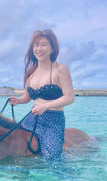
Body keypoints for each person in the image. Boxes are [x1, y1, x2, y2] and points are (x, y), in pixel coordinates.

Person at [10, 29, 74, 160]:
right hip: (31, 119)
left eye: (44, 44)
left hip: (53, 120)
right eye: (36, 45)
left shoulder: (60, 69)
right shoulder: (30, 73)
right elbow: (27, 97)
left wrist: (45, 106)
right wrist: (18, 101)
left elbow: (69, 97)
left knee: (52, 160)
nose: (39, 48)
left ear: (52, 48)